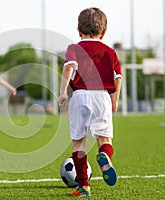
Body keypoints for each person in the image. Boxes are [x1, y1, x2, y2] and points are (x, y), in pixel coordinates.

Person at [58, 7, 122, 197]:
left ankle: (84, 186)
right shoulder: (110, 52)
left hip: (80, 96)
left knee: (79, 142)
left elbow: (68, 68)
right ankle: (105, 158)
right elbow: (118, 77)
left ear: (78, 30)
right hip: (102, 97)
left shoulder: (74, 48)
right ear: (103, 32)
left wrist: (62, 93)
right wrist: (115, 99)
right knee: (104, 139)